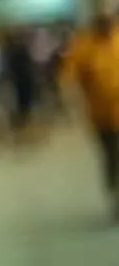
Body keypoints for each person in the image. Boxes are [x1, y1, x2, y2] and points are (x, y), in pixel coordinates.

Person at [59, 14, 119, 219]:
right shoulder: (84, 46)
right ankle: (115, 193)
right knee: (112, 156)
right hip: (102, 116)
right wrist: (70, 102)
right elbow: (68, 77)